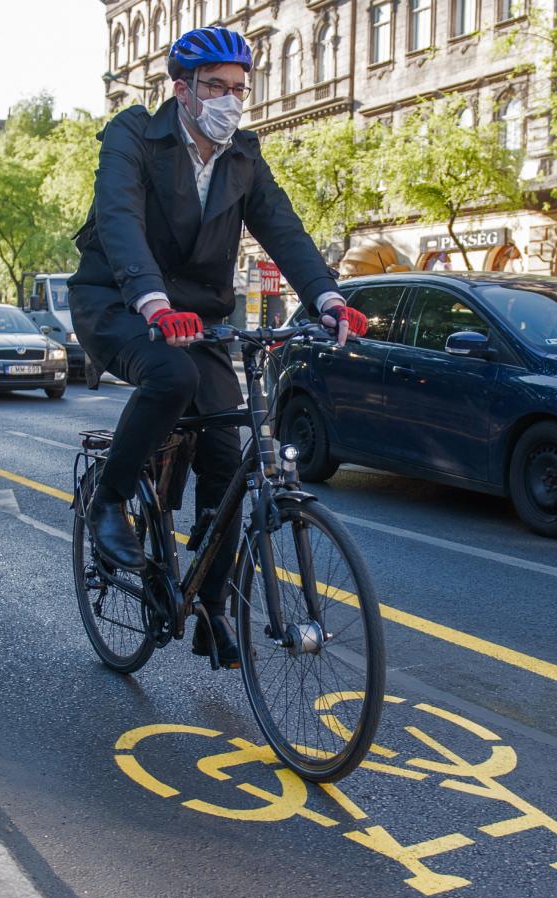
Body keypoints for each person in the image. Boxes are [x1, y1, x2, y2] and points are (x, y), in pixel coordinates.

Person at [67, 26, 368, 668]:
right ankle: (111, 499)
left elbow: (284, 230)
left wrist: (327, 298)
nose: (232, 100)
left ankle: (208, 602)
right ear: (182, 89)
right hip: (119, 301)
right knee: (170, 380)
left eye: (240, 89)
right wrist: (151, 299)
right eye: (217, 88)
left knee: (228, 458)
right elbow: (118, 219)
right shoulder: (133, 137)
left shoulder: (242, 157)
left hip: (197, 319)